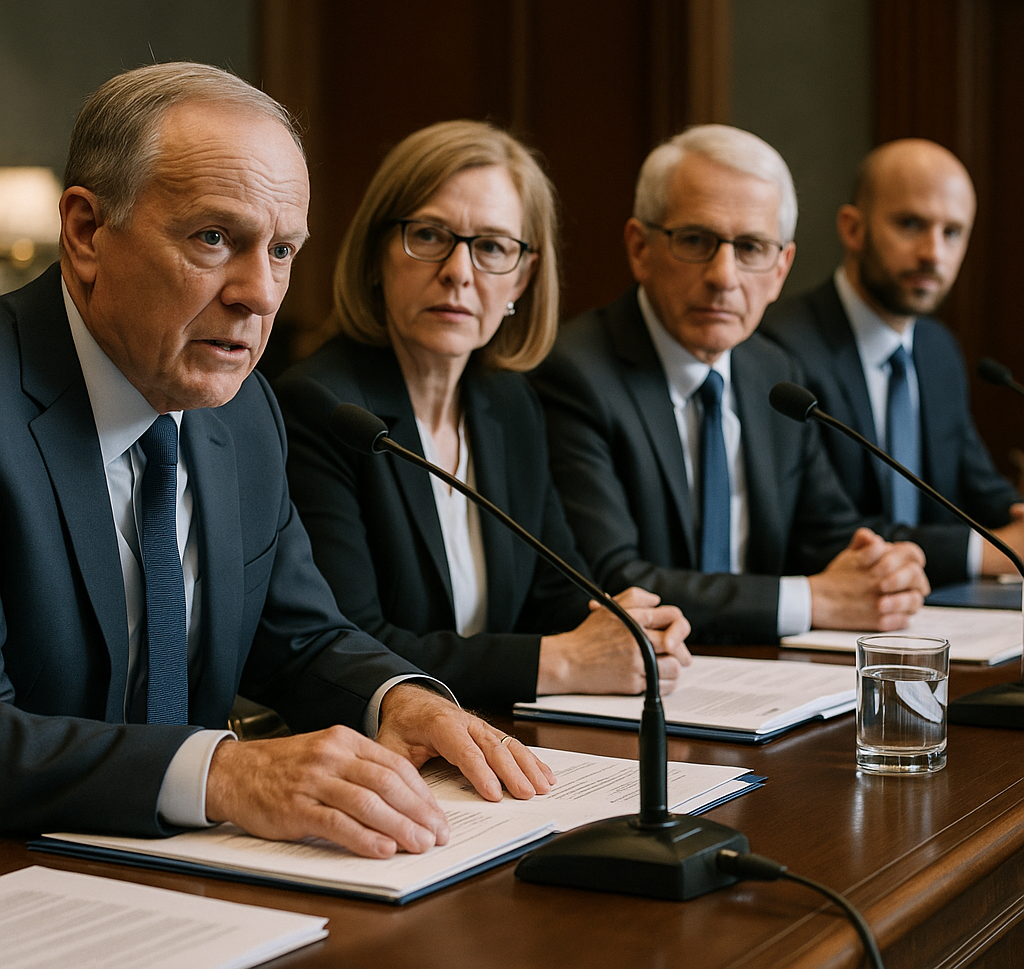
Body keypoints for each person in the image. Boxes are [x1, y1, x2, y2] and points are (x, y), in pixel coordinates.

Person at [0, 63, 555, 855]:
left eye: (284, 249)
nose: (260, 293)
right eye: (214, 238)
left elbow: (298, 635)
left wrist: (398, 698)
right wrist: (225, 775)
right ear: (88, 232)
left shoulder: (246, 412)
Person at [274, 120, 691, 709]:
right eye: (429, 235)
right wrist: (565, 661)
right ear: (376, 253)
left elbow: (555, 589)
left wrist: (629, 627)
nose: (459, 272)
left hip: (500, 733)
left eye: (492, 247)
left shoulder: (508, 405)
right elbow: (352, 646)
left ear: (521, 277)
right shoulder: (323, 408)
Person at [531, 124, 934, 645]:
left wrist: (883, 571)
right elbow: (612, 581)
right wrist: (813, 600)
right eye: (696, 241)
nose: (724, 275)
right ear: (639, 248)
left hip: (767, 685)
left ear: (781, 268)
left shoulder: (775, 374)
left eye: (751, 247)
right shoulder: (575, 373)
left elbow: (829, 536)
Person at [761, 138, 1023, 576]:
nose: (933, 253)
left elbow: (979, 489)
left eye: (952, 233)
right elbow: (816, 532)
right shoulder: (781, 352)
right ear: (852, 228)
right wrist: (983, 553)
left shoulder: (938, 348)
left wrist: (1016, 515)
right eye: (910, 224)